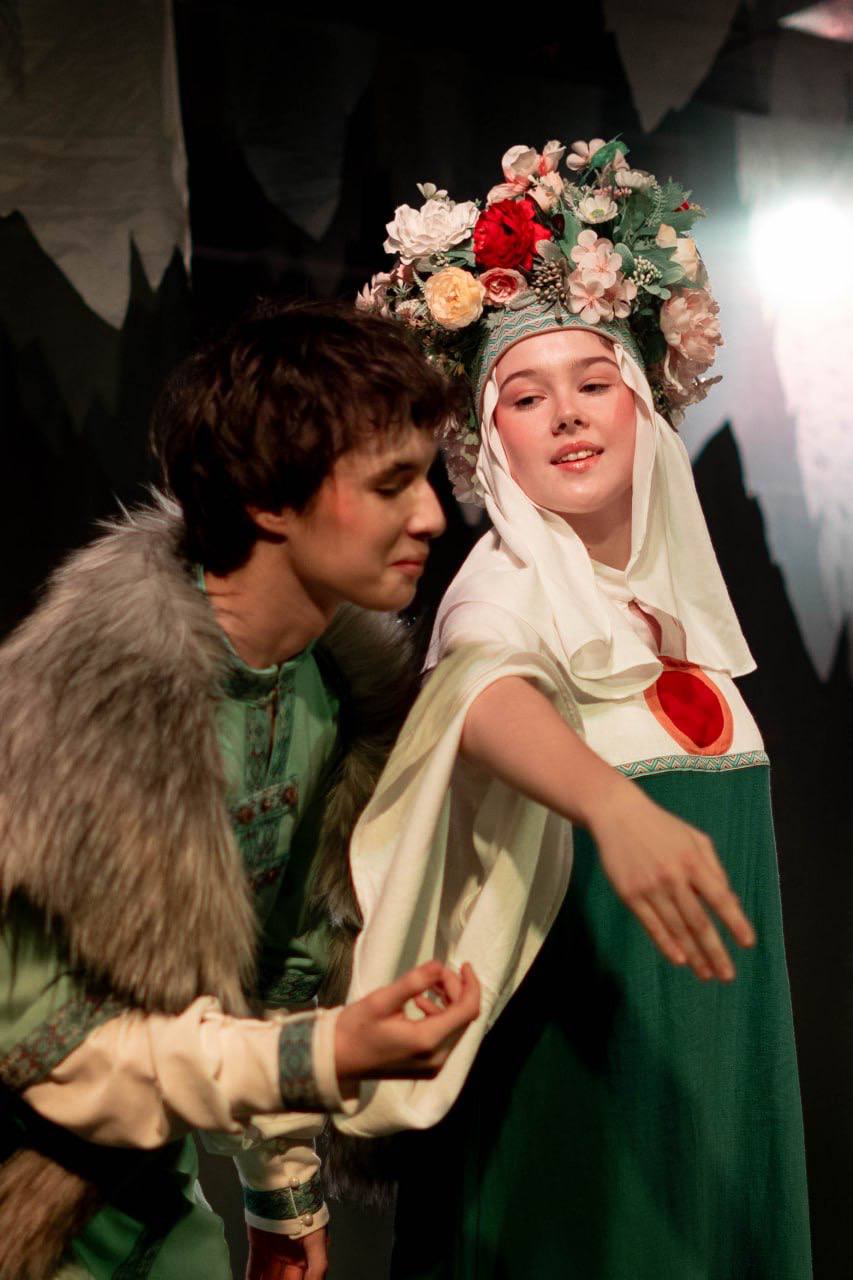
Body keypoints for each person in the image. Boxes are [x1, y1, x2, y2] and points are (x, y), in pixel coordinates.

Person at [338, 138, 812, 1276]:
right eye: (525, 395)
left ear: (642, 404)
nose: (566, 415)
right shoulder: (502, 584)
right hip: (577, 1107)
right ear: (485, 435)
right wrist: (609, 803)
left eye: (594, 384)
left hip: (710, 1091)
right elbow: (482, 690)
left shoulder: (666, 610)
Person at [0, 302, 480, 1280]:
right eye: (390, 483)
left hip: (146, 1183)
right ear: (268, 500)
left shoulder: (329, 692)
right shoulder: (82, 703)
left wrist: (283, 1193)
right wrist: (324, 1053)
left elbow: (277, 960)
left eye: (427, 477)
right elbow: (53, 1050)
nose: (432, 514)